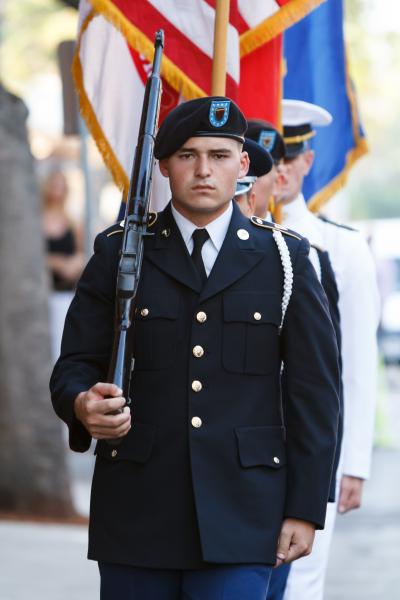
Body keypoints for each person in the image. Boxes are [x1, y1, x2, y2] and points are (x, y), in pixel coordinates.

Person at [50, 96, 340, 600]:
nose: (204, 170)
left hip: (245, 516)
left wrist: (306, 508)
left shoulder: (285, 261)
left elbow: (315, 395)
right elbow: (74, 364)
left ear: (243, 164)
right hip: (138, 512)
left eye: (220, 155)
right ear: (162, 166)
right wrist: (82, 404)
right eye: (187, 155)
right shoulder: (120, 253)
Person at [267, 99, 380, 600]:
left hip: (311, 444)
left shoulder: (340, 248)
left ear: (307, 162)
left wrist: (352, 461)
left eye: (290, 158)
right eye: (270, 156)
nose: (280, 170)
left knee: (299, 584)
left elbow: (353, 364)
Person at [42, 168, 85, 359]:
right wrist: (57, 263)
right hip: (43, 292)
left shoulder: (72, 222)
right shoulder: (38, 220)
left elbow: (81, 254)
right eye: (54, 184)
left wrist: (73, 264)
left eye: (62, 185)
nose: (58, 189)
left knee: (60, 346)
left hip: (65, 293)